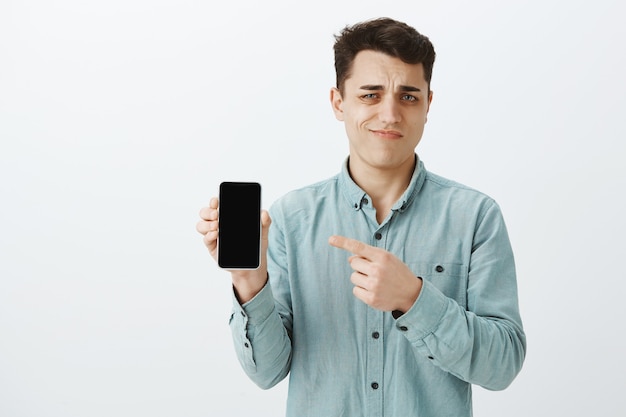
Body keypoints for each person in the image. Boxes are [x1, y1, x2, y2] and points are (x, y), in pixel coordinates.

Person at [196, 17, 526, 416]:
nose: (389, 115)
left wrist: (413, 298)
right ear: (339, 102)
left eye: (408, 96)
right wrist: (249, 279)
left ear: (428, 104)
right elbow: (267, 371)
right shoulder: (292, 218)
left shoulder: (476, 216)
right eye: (370, 95)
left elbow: (503, 366)